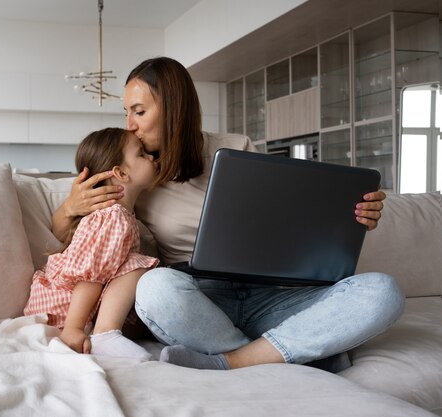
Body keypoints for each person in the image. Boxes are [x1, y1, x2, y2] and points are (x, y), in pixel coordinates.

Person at [52, 56, 404, 371]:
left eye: (139, 111)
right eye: (126, 112)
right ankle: (295, 351)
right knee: (154, 287)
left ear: (174, 109)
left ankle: (235, 361)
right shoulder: (135, 175)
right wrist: (70, 207)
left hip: (271, 292)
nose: (130, 124)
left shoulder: (236, 148)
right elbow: (77, 234)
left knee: (382, 291)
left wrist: (353, 215)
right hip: (198, 299)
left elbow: (291, 217)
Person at [25, 127, 159, 360]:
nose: (151, 157)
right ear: (121, 173)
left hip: (76, 306)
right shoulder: (112, 217)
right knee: (138, 265)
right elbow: (90, 276)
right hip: (66, 308)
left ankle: (105, 334)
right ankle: (104, 336)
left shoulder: (121, 216)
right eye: (142, 154)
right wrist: (73, 328)